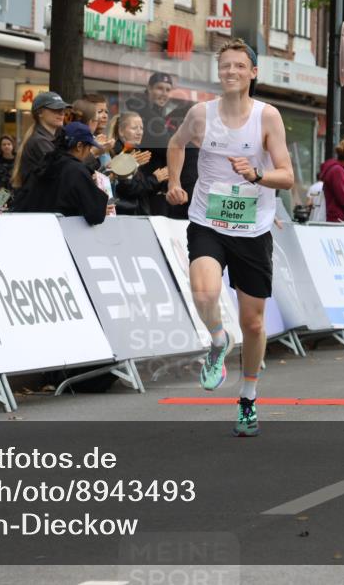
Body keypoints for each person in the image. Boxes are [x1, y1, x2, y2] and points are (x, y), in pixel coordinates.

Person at [166, 39, 294, 437]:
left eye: (240, 66)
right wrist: (174, 181)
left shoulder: (267, 117)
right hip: (208, 219)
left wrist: (257, 175)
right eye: (226, 66)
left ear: (253, 73)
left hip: (253, 228)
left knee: (253, 324)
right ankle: (218, 342)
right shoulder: (201, 113)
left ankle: (248, 397)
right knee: (203, 292)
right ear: (218, 71)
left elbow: (287, 176)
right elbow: (175, 143)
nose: (232, 72)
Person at [11, 121, 109, 224]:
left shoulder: (46, 162)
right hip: (62, 234)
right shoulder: (77, 170)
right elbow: (96, 215)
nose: (89, 152)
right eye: (89, 147)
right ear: (79, 146)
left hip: (35, 229)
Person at [127, 72, 174, 216]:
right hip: (147, 184)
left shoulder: (156, 113)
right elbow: (167, 148)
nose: (164, 93)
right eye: (160, 88)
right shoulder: (147, 114)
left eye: (168, 89)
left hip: (154, 185)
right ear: (149, 88)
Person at [108, 111, 167, 215]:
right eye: (134, 128)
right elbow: (129, 189)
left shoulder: (135, 152)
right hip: (125, 216)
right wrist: (154, 179)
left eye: (141, 128)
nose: (139, 132)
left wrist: (160, 181)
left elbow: (142, 190)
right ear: (121, 131)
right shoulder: (117, 153)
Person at [13, 91, 69, 189]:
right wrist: (92, 154)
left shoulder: (54, 138)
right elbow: (65, 173)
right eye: (55, 109)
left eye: (63, 109)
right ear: (40, 113)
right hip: (37, 203)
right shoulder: (39, 141)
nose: (61, 113)